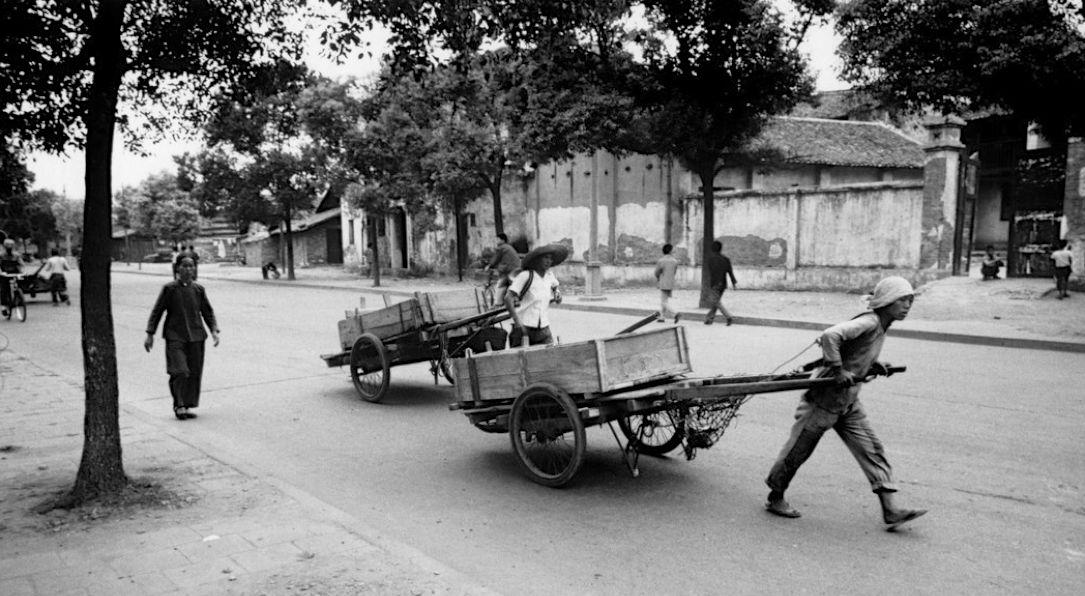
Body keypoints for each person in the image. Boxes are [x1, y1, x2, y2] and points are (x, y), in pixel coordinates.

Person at [764, 275, 926, 530]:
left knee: (872, 449)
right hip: (824, 401)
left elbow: (856, 352)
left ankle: (891, 509)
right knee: (797, 451)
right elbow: (830, 335)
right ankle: (775, 496)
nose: (907, 306)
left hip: (848, 402)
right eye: (902, 300)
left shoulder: (882, 325)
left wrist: (874, 364)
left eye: (910, 301)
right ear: (887, 301)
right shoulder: (870, 322)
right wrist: (838, 370)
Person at [144, 256, 220, 420]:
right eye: (184, 266)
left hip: (196, 336)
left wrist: (214, 330)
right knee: (180, 371)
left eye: (191, 266)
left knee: (193, 373)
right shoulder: (169, 289)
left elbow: (207, 311)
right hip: (175, 336)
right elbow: (157, 311)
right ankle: (179, 405)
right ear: (177, 268)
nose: (188, 269)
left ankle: (186, 405)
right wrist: (150, 334)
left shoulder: (198, 289)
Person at [504, 243, 566, 348]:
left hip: (544, 328)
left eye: (550, 259)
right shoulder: (526, 276)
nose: (548, 261)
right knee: (521, 357)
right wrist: (517, 321)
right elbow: (508, 298)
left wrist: (558, 295)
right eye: (545, 258)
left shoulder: (549, 276)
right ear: (537, 260)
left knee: (549, 355)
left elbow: (556, 289)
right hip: (524, 328)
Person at [703, 240, 737, 325]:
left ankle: (728, 316)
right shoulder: (726, 259)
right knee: (716, 302)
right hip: (723, 283)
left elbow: (711, 272)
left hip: (715, 283)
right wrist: (734, 283)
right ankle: (709, 319)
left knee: (716, 302)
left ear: (712, 249)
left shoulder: (711, 260)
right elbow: (730, 272)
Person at [484, 233, 521, 302]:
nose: (496, 241)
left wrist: (489, 266)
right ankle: (514, 299)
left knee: (500, 284)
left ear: (503, 240)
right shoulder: (508, 247)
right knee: (511, 284)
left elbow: (496, 258)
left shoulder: (501, 248)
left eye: (497, 239)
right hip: (516, 268)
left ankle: (498, 303)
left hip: (508, 269)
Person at [654, 243, 680, 323]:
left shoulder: (661, 261)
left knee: (663, 302)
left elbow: (657, 272)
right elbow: (674, 272)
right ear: (670, 251)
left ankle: (675, 313)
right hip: (671, 282)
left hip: (663, 281)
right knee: (665, 300)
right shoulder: (675, 261)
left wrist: (658, 278)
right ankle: (662, 317)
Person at [1, 238, 23, 317]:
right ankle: (3, 306)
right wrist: (1, 272)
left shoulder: (16, 255)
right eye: (8, 245)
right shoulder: (1, 255)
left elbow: (21, 264)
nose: (9, 247)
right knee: (4, 289)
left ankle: (19, 298)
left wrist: (21, 272)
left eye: (11, 245)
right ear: (5, 246)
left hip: (15, 272)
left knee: (20, 283)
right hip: (4, 273)